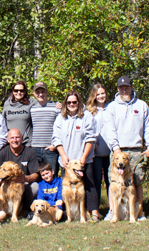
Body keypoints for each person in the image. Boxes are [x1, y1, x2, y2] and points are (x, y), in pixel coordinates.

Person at [105, 76, 149, 221]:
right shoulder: (112, 107)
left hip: (136, 149)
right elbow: (110, 129)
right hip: (118, 150)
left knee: (137, 180)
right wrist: (115, 148)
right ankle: (112, 211)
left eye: (127, 87)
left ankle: (140, 212)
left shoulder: (142, 105)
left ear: (132, 88)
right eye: (121, 88)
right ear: (118, 89)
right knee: (113, 181)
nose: (124, 90)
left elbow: (148, 127)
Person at [51, 90, 97, 221]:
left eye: (74, 102)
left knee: (88, 186)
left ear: (79, 102)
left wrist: (83, 158)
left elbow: (90, 138)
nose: (71, 104)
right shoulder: (60, 118)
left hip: (84, 159)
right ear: (66, 103)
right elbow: (56, 138)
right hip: (67, 161)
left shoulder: (87, 116)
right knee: (68, 190)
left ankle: (93, 214)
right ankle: (70, 215)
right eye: (69, 102)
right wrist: (63, 155)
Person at [85, 83, 119, 221]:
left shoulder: (111, 108)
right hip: (97, 152)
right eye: (98, 94)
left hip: (111, 152)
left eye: (103, 93)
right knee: (97, 181)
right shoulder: (89, 111)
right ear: (94, 96)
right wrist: (94, 144)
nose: (101, 96)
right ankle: (96, 210)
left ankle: (113, 209)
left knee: (112, 181)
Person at [0, 129, 40, 210]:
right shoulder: (2, 153)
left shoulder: (30, 152)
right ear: (8, 140)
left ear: (22, 138)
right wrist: (1, 179)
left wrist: (25, 178)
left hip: (22, 185)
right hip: (5, 185)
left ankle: (28, 210)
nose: (14, 140)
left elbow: (36, 175)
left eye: (17, 137)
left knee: (35, 186)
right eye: (12, 138)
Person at [30, 82, 62, 176]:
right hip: (35, 148)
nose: (40, 94)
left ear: (47, 92)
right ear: (34, 94)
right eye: (38, 92)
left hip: (50, 149)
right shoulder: (31, 108)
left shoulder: (56, 107)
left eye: (43, 91)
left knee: (51, 176)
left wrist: (55, 145)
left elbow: (60, 128)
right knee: (36, 177)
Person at [3, 81, 36, 146]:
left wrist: (58, 104)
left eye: (21, 90)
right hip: (11, 143)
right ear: (13, 91)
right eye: (16, 90)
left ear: (25, 91)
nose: (19, 92)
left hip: (27, 143)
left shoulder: (31, 102)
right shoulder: (7, 104)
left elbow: (42, 105)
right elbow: (3, 123)